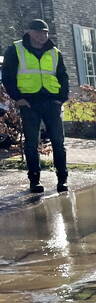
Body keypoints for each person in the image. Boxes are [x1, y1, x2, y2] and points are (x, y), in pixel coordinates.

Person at [1, 19, 70, 194]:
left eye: (45, 32)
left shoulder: (55, 52)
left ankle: (62, 180)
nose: (43, 35)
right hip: (29, 103)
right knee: (31, 144)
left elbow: (63, 76)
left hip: (51, 102)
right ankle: (35, 181)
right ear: (29, 32)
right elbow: (7, 76)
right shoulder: (15, 50)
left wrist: (61, 99)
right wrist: (17, 98)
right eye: (39, 32)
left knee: (58, 143)